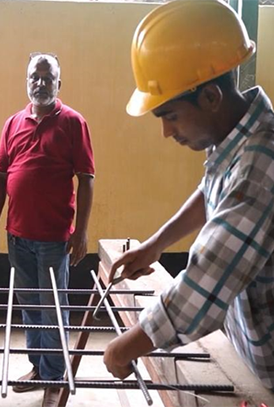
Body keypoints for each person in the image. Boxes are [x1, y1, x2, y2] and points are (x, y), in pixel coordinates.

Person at [103, 0, 274, 390]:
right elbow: (213, 193)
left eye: (171, 116)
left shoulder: (261, 164)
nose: (167, 132)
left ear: (211, 97)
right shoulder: (237, 138)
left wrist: (125, 348)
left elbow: (204, 286)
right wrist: (156, 245)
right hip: (248, 350)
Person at [0, 53, 95, 407]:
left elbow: (87, 179)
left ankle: (55, 376)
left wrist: (81, 232)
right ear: (27, 80)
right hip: (17, 236)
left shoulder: (74, 122)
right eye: (35, 76)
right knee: (30, 306)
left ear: (59, 83)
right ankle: (39, 367)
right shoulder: (12, 123)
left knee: (53, 309)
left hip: (53, 239)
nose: (41, 83)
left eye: (48, 78)